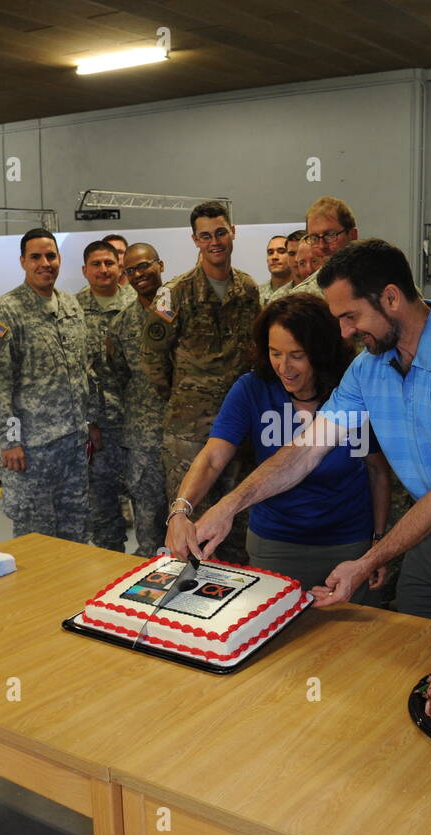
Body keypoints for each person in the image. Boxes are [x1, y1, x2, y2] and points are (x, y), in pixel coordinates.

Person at [192, 239, 431, 637]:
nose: (343, 331)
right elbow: (306, 450)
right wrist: (230, 505)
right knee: (416, 651)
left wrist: (367, 559)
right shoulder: (368, 367)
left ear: (390, 297)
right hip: (425, 528)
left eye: (350, 316)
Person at [166, 294, 390, 601]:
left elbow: (377, 472)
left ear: (321, 352)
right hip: (274, 543)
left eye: (297, 355)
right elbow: (212, 458)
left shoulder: (350, 392)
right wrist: (180, 510)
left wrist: (377, 541)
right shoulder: (252, 389)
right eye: (274, 353)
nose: (284, 367)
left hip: (348, 545)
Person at [142, 201, 260, 564]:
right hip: (188, 438)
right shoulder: (174, 294)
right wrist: (186, 400)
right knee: (188, 531)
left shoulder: (248, 289)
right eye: (206, 236)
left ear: (233, 232)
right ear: (195, 240)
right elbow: (153, 361)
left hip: (238, 435)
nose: (215, 242)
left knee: (237, 527)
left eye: (221, 233)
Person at [0, 228, 100, 542]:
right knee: (36, 538)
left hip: (73, 446)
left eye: (51, 256)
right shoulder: (7, 311)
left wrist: (92, 421)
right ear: (23, 262)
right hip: (32, 452)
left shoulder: (71, 307)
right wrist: (10, 440)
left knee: (76, 533)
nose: (45, 263)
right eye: (36, 257)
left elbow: (85, 371)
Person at [109, 243, 172, 556]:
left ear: (160, 265)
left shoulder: (183, 310)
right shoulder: (121, 323)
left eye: (144, 266)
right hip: (143, 441)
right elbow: (117, 377)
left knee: (193, 517)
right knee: (148, 525)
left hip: (184, 435)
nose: (138, 275)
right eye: (130, 270)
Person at [76, 239, 136, 550]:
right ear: (85, 270)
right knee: (103, 517)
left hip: (137, 424)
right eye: (96, 264)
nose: (103, 270)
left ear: (119, 267)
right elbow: (72, 374)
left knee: (149, 509)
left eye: (109, 263)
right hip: (97, 430)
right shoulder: (71, 311)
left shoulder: (138, 304)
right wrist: (87, 422)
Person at [280, 196, 359, 298]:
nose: (322, 246)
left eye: (330, 235)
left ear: (352, 235)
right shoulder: (304, 296)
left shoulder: (380, 279)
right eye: (314, 237)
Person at [259, 234, 293, 307]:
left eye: (281, 251)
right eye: (270, 253)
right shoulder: (256, 293)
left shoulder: (302, 291)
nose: (274, 257)